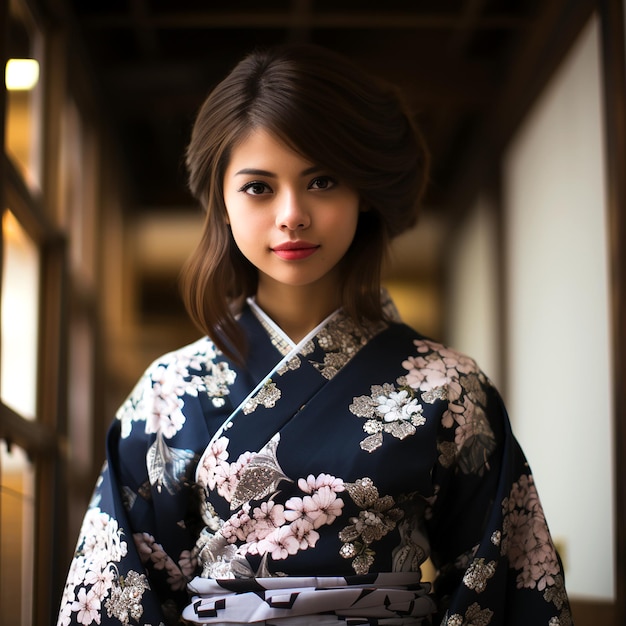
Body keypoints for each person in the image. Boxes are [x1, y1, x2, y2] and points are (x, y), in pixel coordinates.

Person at [57, 44, 572, 626]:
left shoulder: (448, 386)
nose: (292, 214)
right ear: (222, 203)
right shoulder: (170, 391)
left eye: (322, 180)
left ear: (364, 194)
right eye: (258, 187)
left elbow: (498, 575)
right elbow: (119, 589)